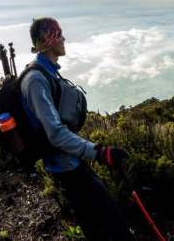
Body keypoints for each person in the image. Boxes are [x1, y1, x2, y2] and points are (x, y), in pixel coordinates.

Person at [21, 17, 135, 241]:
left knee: (97, 226)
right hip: (66, 169)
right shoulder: (36, 80)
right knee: (113, 226)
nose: (64, 38)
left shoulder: (47, 73)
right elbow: (55, 133)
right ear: (47, 40)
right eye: (59, 34)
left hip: (71, 164)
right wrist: (100, 152)